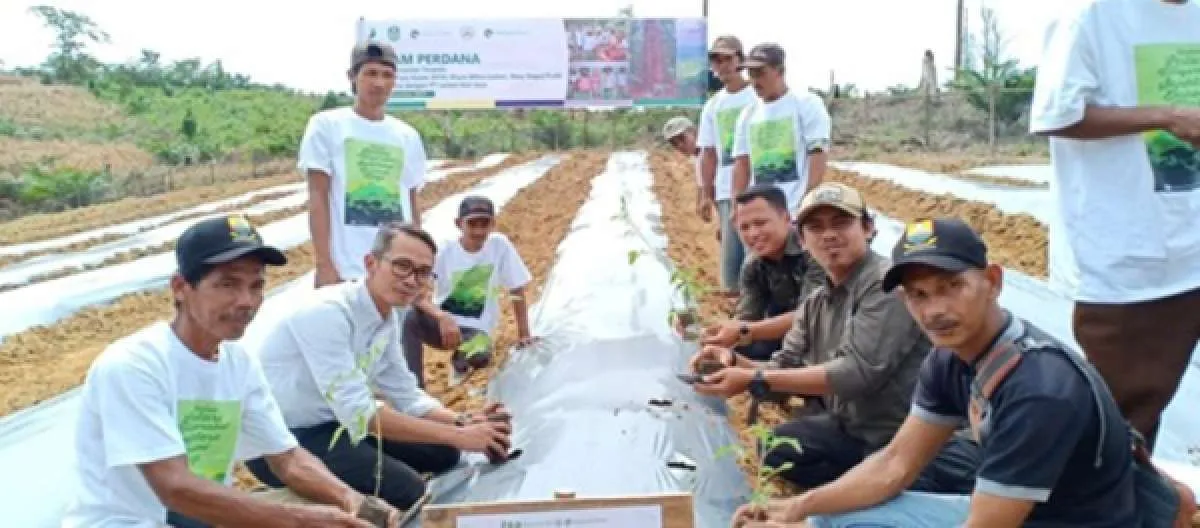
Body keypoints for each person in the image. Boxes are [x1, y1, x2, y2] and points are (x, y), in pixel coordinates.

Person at [733, 217, 1197, 528]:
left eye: (951, 287)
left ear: (993, 281)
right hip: (1018, 511)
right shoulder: (949, 357)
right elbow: (895, 463)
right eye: (918, 295)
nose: (934, 310)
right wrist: (797, 506)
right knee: (830, 519)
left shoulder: (1040, 390)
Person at [63, 215, 399, 528]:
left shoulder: (237, 363)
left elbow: (289, 459)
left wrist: (351, 500)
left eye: (256, 286)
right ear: (181, 287)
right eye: (228, 284)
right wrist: (301, 519)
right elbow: (175, 488)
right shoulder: (134, 366)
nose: (246, 301)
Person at [692, 185, 978, 494]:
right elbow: (783, 366)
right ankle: (864, 481)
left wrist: (753, 377)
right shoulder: (816, 303)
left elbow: (858, 374)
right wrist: (734, 361)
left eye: (841, 223)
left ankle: (876, 487)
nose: (828, 235)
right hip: (856, 429)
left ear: (868, 229)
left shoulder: (887, 285)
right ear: (802, 240)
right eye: (816, 227)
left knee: (904, 483)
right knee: (776, 449)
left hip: (914, 437)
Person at [244, 222, 514, 512]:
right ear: (371, 263)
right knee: (407, 489)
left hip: (337, 426)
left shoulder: (387, 319)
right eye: (402, 266)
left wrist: (462, 422)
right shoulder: (325, 315)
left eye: (422, 273)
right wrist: (460, 435)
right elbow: (360, 413)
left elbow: (407, 395)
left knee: (445, 454)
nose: (411, 280)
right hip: (284, 442)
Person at [1029, 0, 1200, 452]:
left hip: (1192, 243)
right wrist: (1165, 116)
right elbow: (1056, 114)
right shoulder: (1090, 15)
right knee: (1123, 421)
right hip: (1130, 260)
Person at [301, 40, 428, 288]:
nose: (379, 83)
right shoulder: (327, 126)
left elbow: (412, 203)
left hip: (396, 273)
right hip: (347, 270)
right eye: (370, 73)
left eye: (387, 75)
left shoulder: (407, 136)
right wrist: (325, 264)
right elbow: (318, 196)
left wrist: (417, 265)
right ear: (352, 77)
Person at [403, 196, 534, 387]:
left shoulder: (499, 246)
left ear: (493, 224)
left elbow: (516, 288)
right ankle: (414, 387)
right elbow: (416, 293)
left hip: (476, 331)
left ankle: (460, 362)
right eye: (472, 224)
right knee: (409, 318)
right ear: (459, 224)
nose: (479, 231)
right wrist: (441, 317)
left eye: (485, 223)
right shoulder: (444, 250)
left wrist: (524, 334)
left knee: (481, 355)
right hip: (442, 328)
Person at [698, 184, 825, 362]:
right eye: (744, 227)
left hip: (826, 334)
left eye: (760, 223)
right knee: (730, 352)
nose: (753, 233)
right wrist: (713, 333)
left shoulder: (815, 252)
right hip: (785, 333)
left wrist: (743, 331)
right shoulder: (753, 264)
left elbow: (812, 317)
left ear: (786, 218)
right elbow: (747, 316)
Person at [731, 42, 831, 214]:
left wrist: (808, 201)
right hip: (761, 213)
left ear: (780, 71)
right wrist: (737, 207)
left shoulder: (806, 104)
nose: (755, 81)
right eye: (751, 74)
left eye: (761, 73)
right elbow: (742, 163)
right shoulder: (748, 114)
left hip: (795, 209)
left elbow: (818, 153)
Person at [697, 35, 757, 295]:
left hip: (758, 188)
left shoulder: (757, 95)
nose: (722, 65)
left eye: (727, 59)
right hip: (725, 189)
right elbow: (708, 152)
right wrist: (704, 193)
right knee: (732, 263)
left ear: (740, 61)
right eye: (716, 60)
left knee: (757, 255)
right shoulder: (713, 106)